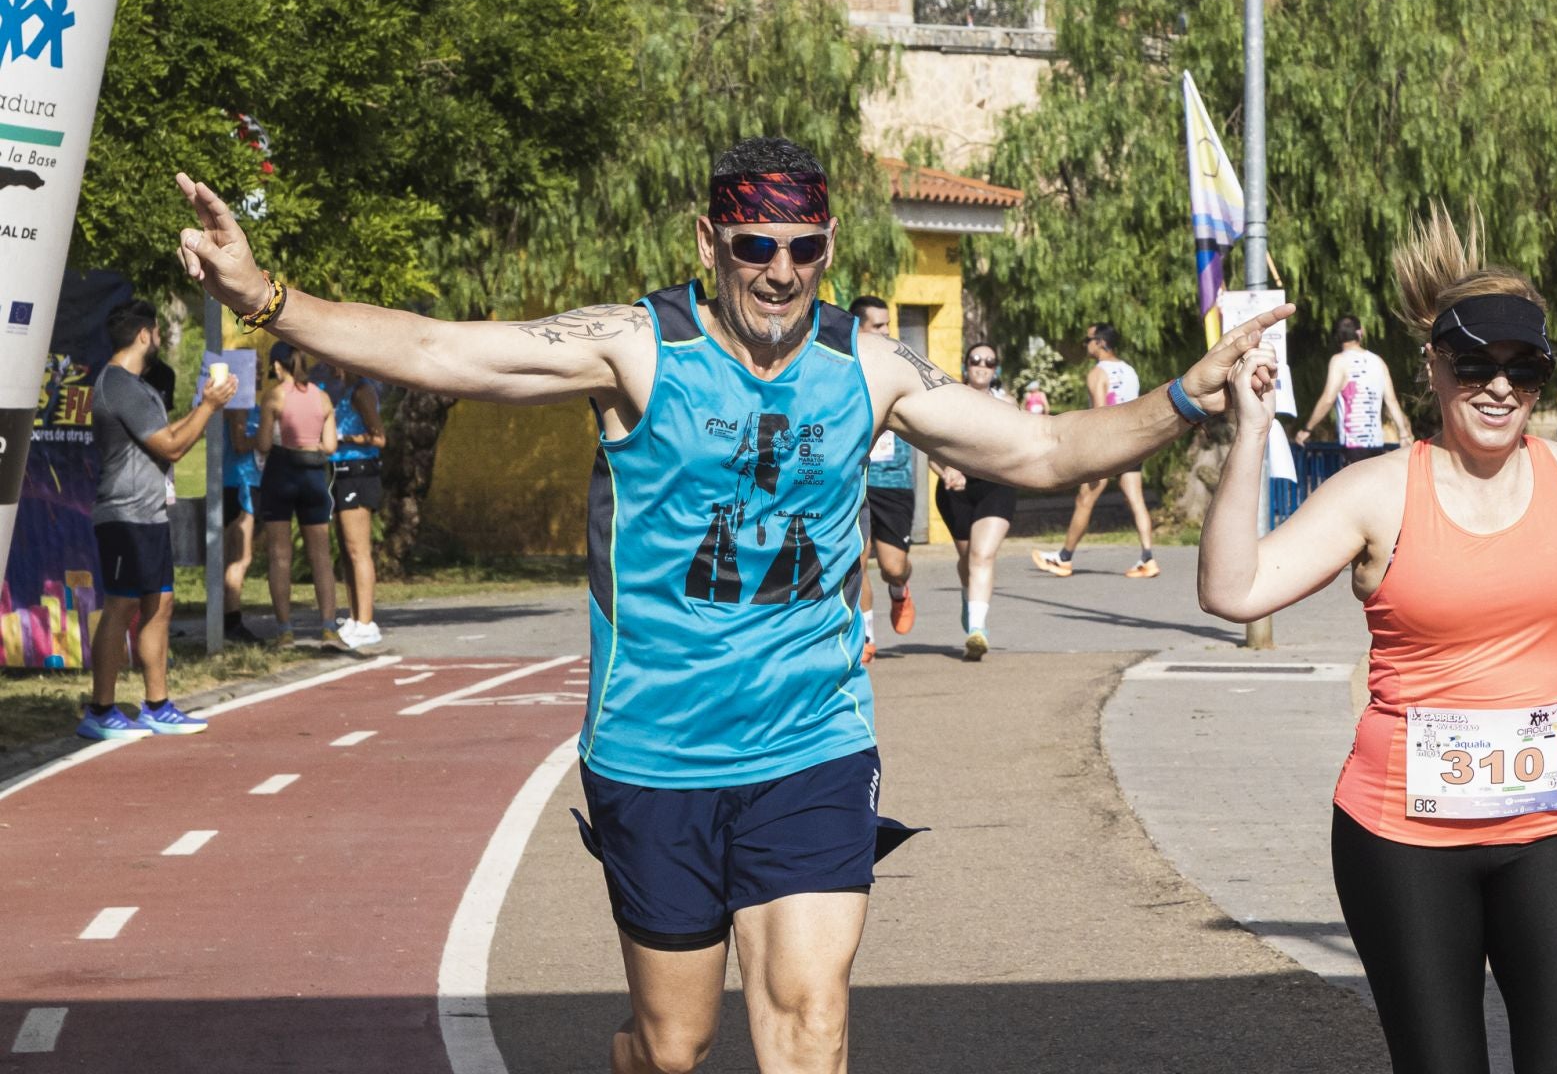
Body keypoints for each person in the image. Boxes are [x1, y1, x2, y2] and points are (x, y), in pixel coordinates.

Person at [173, 137, 1280, 1074]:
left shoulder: (870, 366)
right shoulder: (634, 348)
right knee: (671, 1043)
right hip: (656, 747)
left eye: (803, 249)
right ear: (709, 244)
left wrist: (1188, 394)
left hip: (813, 737)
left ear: (829, 247)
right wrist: (267, 299)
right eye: (755, 246)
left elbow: (1042, 447)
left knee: (809, 1020)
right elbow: (442, 352)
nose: (781, 272)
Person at [1198, 214, 1557, 1074]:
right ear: (1433, 366)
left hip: (1553, 827)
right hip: (1401, 838)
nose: (1497, 387)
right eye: (1474, 363)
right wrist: (1250, 433)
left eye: (1524, 369)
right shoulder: (1378, 494)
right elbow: (1232, 589)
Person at [78, 300, 238, 740]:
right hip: (124, 514)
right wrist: (208, 405)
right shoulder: (120, 384)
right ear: (145, 334)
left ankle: (156, 704)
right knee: (122, 605)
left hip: (149, 514)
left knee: (160, 603)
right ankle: (101, 710)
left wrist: (204, 407)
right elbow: (170, 447)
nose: (160, 341)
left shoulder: (135, 384)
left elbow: (168, 442)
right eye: (157, 333)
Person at [1031, 323, 1159, 579]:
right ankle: (1148, 558)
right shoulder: (1129, 370)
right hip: (1132, 443)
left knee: (1085, 499)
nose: (1085, 345)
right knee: (1136, 500)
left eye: (1087, 339)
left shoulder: (1097, 373)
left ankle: (1064, 558)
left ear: (1100, 342)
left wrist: (1088, 448)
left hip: (1107, 446)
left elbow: (1100, 415)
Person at [933, 342, 1020, 661]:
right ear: (965, 364)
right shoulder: (948, 400)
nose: (982, 365)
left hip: (996, 487)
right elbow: (933, 453)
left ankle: (977, 630)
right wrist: (946, 471)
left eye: (989, 361)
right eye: (975, 360)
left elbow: (1021, 449)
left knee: (983, 556)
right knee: (968, 559)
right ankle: (969, 599)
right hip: (956, 491)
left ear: (995, 368)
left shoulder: (1007, 405)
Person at [255, 342, 343, 650]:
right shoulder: (322, 397)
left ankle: (285, 630)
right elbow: (330, 446)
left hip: (281, 470)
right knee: (320, 555)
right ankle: (329, 627)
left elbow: (265, 444)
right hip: (313, 474)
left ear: (278, 367)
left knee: (280, 555)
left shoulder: (274, 396)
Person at [847, 295, 917, 661]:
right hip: (857, 479)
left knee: (892, 566)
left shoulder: (902, 365)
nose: (888, 332)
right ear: (858, 327)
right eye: (879, 326)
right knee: (858, 558)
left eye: (889, 324)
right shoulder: (840, 368)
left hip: (894, 481)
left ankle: (900, 588)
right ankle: (867, 636)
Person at [321, 365, 387, 649]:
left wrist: (343, 439)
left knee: (359, 550)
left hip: (360, 472)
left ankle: (366, 622)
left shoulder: (362, 391)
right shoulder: (345, 391)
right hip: (341, 471)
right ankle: (355, 616)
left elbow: (379, 437)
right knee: (347, 551)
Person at [1295, 313, 1413, 465]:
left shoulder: (1339, 361)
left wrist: (1307, 429)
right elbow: (1391, 401)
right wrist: (1403, 433)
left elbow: (1328, 398)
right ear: (1360, 332)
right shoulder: (1378, 362)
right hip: (1376, 444)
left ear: (1338, 337)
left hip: (1353, 443)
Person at [220, 404, 264, 644]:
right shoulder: (239, 406)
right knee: (240, 557)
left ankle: (224, 616)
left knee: (232, 557)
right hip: (240, 482)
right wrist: (267, 438)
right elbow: (239, 442)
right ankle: (232, 621)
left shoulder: (248, 404)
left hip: (244, 481)